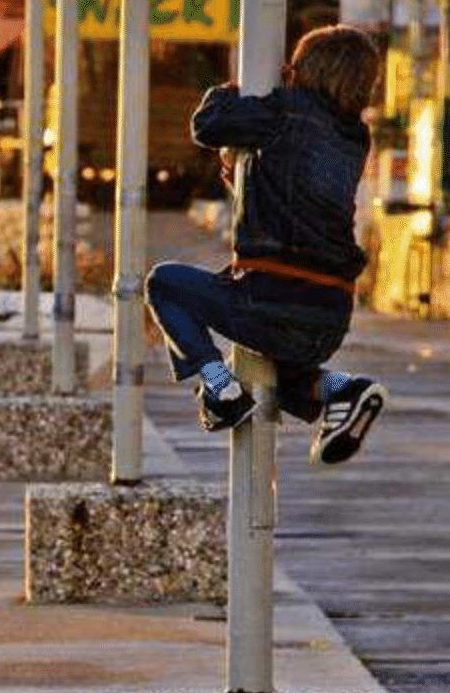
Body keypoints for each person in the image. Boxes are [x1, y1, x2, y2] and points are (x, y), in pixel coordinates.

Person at [145, 25, 387, 466]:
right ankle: (343, 390)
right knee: (286, 377)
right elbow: (295, 195)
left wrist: (235, 88)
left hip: (272, 299)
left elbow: (209, 125)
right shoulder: (354, 136)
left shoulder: (285, 112)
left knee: (165, 284)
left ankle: (220, 387)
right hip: (330, 313)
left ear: (303, 69)